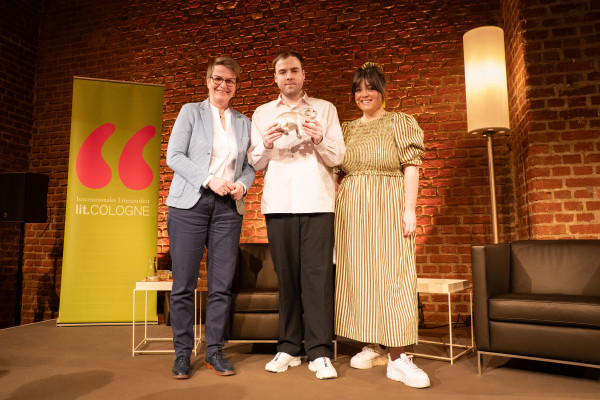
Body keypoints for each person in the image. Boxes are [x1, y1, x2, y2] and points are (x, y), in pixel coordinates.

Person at [248, 50, 345, 380]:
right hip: (278, 203)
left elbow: (338, 156)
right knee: (286, 278)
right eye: (282, 72)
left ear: (304, 75)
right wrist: (265, 143)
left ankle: (319, 351)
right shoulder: (262, 113)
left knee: (318, 280)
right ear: (274, 77)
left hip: (318, 201)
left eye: (294, 71)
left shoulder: (325, 109)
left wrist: (319, 138)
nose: (288, 76)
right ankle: (289, 347)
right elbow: (256, 162)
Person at [334, 62, 430, 388]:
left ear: (382, 90)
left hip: (388, 205)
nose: (364, 94)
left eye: (370, 87)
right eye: (358, 89)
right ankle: (371, 343)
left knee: (393, 275)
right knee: (360, 275)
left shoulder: (398, 123)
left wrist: (409, 210)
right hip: (352, 211)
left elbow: (411, 167)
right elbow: (337, 173)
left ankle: (399, 357)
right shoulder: (346, 129)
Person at [166, 56, 255, 379]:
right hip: (190, 205)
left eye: (230, 80)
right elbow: (173, 155)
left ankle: (214, 352)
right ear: (207, 80)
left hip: (227, 210)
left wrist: (242, 185)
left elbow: (249, 165)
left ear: (236, 86)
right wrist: (208, 179)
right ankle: (181, 353)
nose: (223, 85)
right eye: (218, 78)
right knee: (183, 285)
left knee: (221, 285)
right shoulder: (191, 112)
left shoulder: (243, 122)